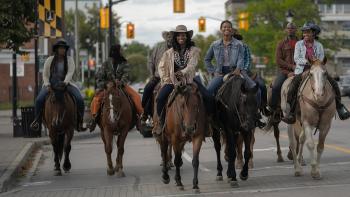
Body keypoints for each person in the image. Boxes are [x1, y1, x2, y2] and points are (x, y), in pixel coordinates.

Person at [283, 22, 350, 123]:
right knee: (293, 86)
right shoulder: (299, 44)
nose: (305, 34)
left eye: (307, 32)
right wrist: (308, 61)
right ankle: (291, 112)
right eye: (304, 32)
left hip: (317, 70)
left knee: (334, 84)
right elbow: (296, 58)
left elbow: (322, 58)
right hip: (302, 70)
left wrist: (316, 63)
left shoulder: (319, 45)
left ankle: (340, 107)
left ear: (314, 34)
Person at [153, 25, 201, 136]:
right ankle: (160, 122)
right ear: (175, 37)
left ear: (187, 36)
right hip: (172, 81)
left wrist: (182, 72)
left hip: (189, 80)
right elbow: (161, 67)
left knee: (207, 96)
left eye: (183, 35)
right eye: (178, 35)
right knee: (160, 98)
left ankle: (207, 123)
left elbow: (192, 65)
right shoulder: (169, 52)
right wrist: (166, 79)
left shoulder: (194, 50)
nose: (181, 37)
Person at [30, 39, 86, 132]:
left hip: (67, 84)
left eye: (64, 48)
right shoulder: (49, 60)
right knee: (39, 99)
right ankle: (37, 121)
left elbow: (70, 73)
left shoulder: (70, 60)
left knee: (79, 99)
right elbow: (45, 75)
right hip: (51, 84)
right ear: (56, 49)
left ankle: (79, 122)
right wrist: (47, 84)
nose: (63, 50)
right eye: (61, 48)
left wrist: (65, 82)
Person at [88, 44, 144, 131]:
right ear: (115, 52)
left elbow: (127, 75)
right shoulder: (106, 63)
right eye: (120, 50)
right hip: (107, 87)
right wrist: (106, 84)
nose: (121, 52)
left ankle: (140, 119)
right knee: (96, 99)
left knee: (136, 96)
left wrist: (121, 82)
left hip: (121, 86)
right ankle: (93, 119)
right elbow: (99, 77)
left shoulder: (124, 62)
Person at [205, 20, 257, 99]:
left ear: (231, 30)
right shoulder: (214, 44)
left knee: (252, 87)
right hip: (220, 72)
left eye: (229, 27)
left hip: (235, 71)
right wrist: (213, 72)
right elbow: (207, 59)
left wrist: (238, 69)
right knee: (208, 91)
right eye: (224, 27)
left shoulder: (239, 44)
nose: (227, 28)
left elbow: (241, 58)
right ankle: (211, 111)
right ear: (221, 29)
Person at [232, 32, 266, 128]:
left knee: (260, 85)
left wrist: (243, 70)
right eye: (234, 39)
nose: (236, 41)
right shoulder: (227, 47)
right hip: (231, 71)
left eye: (238, 39)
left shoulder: (245, 46)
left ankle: (259, 110)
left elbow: (248, 60)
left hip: (245, 71)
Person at [141, 31, 172, 123]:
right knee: (147, 89)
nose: (170, 38)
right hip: (158, 76)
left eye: (172, 37)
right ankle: (145, 112)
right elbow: (150, 62)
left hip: (173, 77)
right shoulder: (158, 48)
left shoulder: (178, 48)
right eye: (168, 37)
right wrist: (152, 74)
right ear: (165, 38)